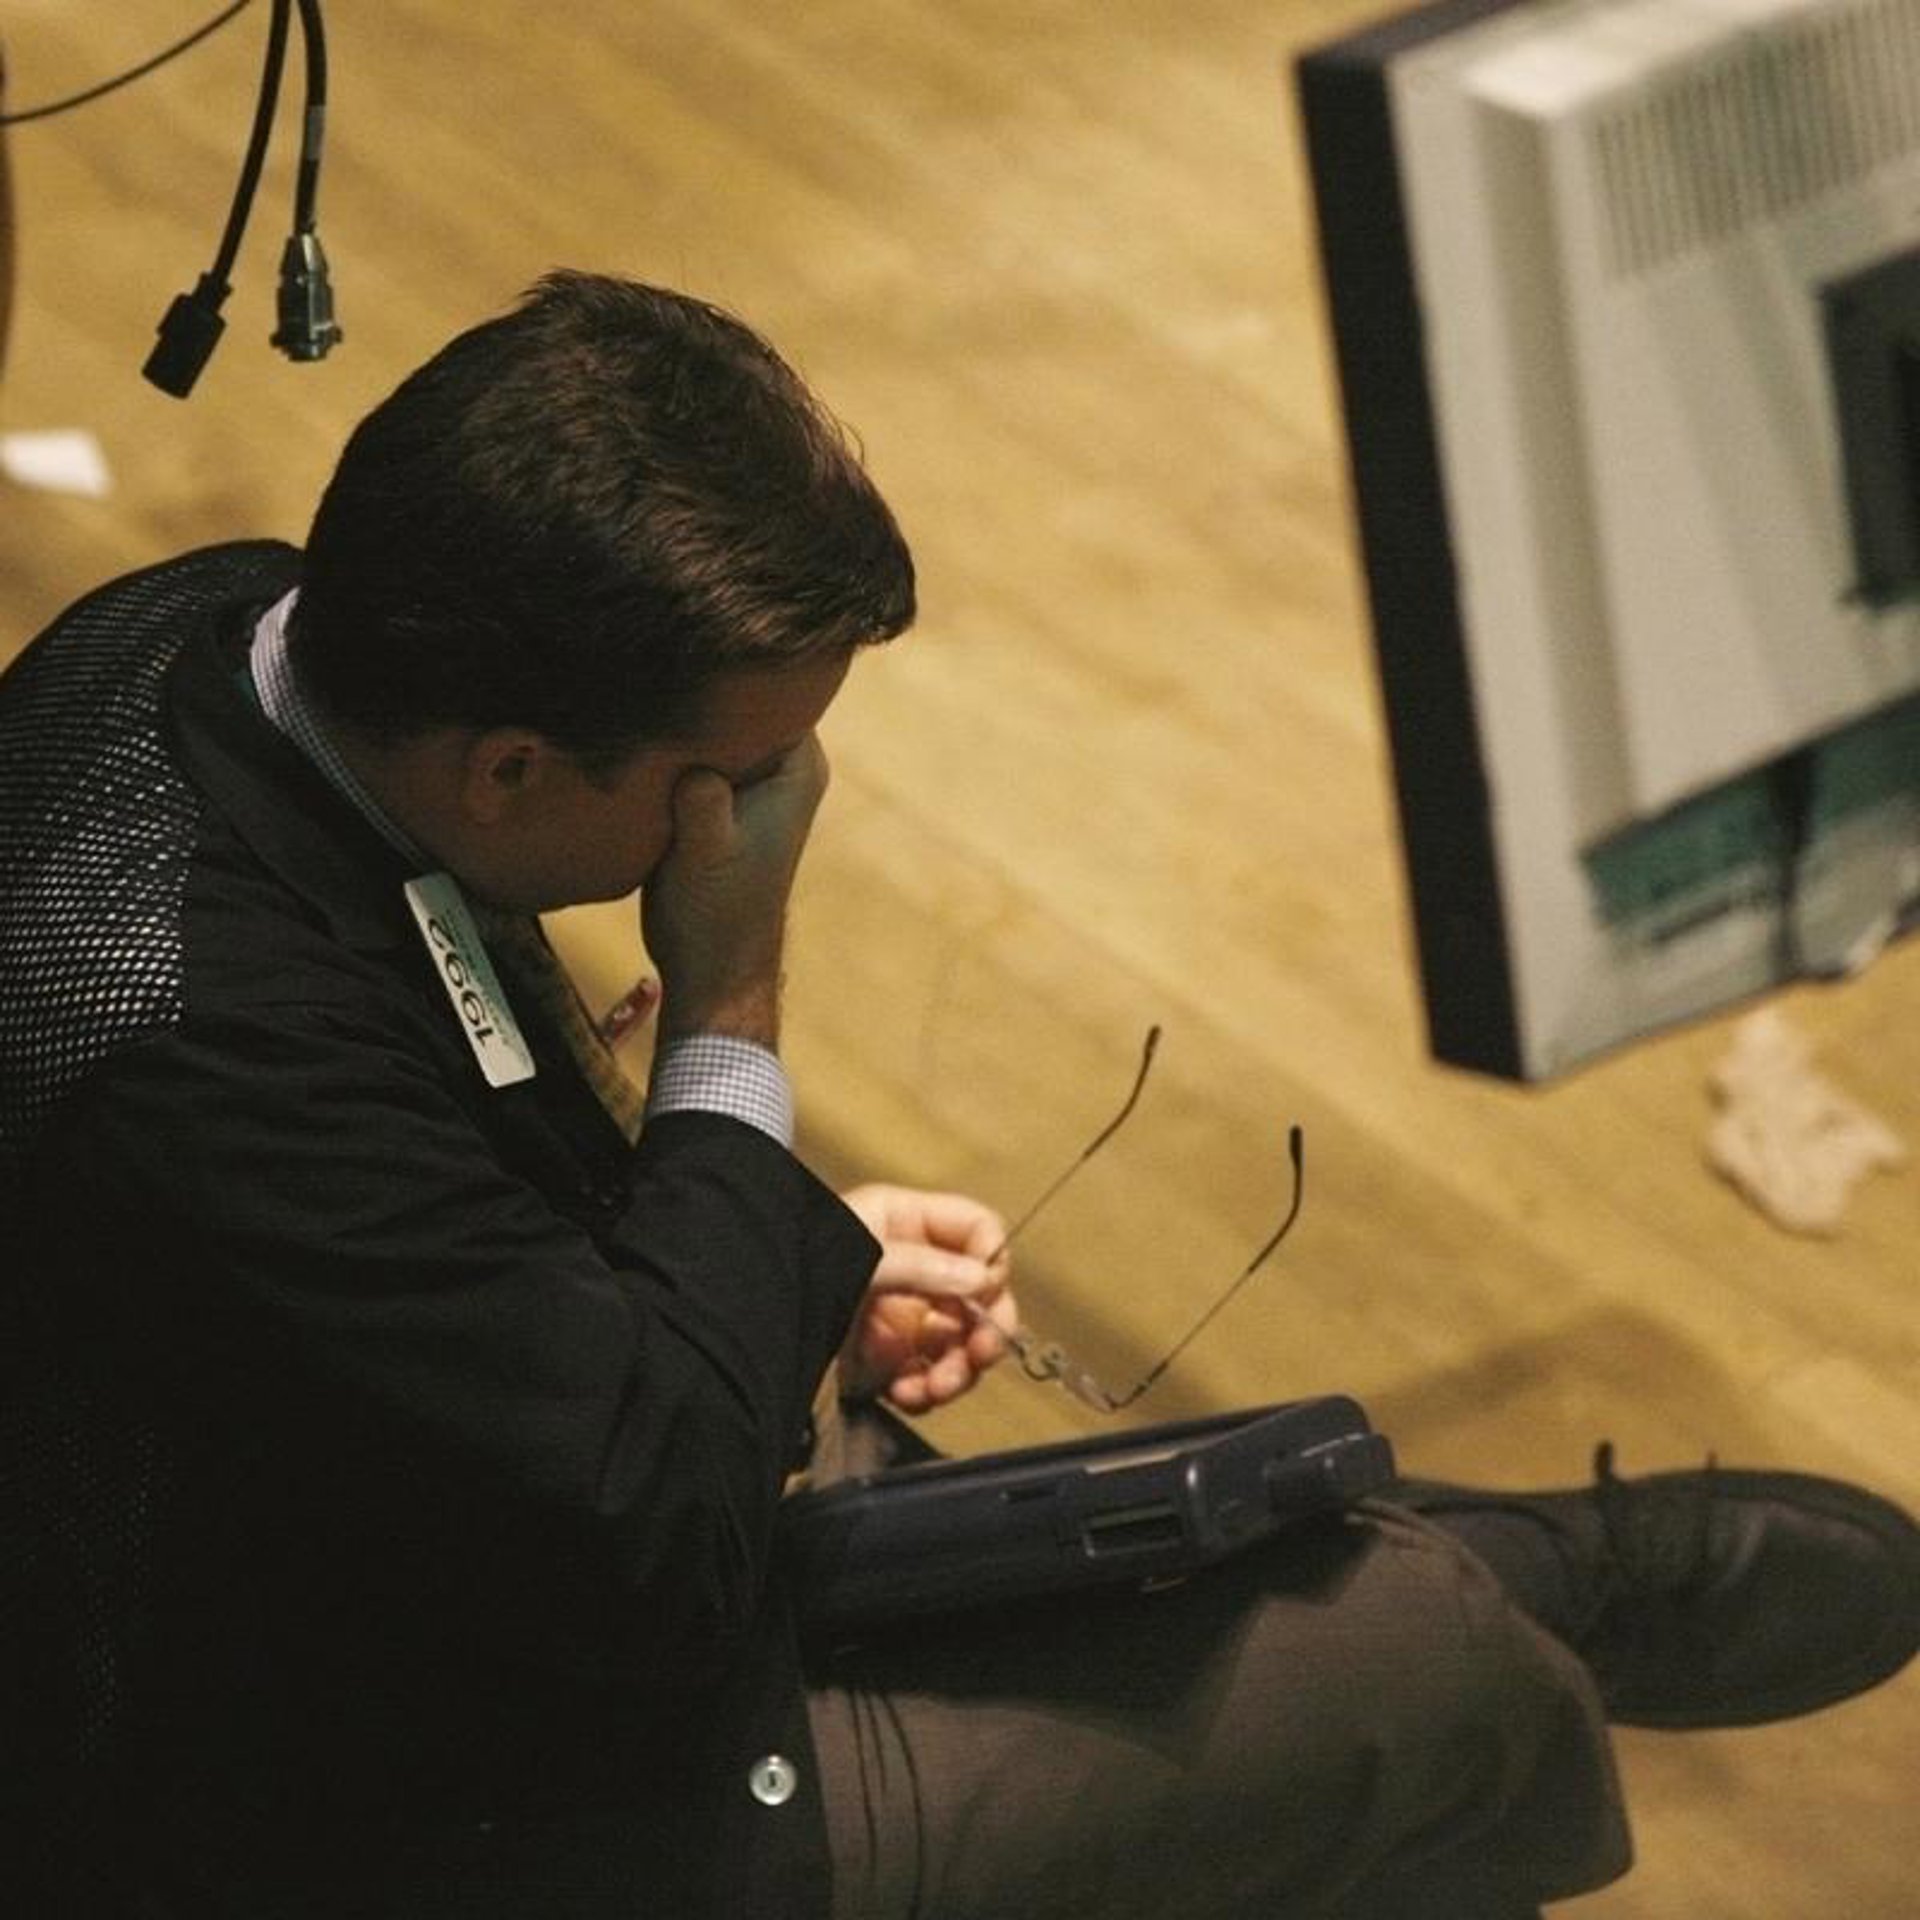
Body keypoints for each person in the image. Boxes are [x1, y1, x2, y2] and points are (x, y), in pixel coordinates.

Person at [1, 271, 1914, 1920]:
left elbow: (414, 1255)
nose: (779, 814)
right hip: (345, 1792)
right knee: (1424, 1678)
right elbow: (648, 1547)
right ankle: (1529, 1593)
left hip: (436, 1528)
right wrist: (730, 1011)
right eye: (743, 779)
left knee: (1268, 1577)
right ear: (507, 769)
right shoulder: (193, 1042)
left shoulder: (244, 638)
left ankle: (1495, 1570)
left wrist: (791, 1276)